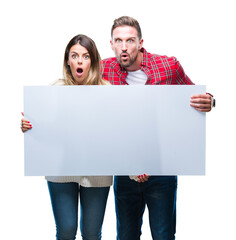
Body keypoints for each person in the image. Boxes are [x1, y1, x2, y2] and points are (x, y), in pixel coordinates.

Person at [101, 16, 215, 240]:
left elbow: (192, 94)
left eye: (130, 41)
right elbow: (73, 97)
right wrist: (37, 120)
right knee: (125, 235)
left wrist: (210, 100)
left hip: (162, 168)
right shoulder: (103, 69)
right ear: (111, 43)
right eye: (119, 41)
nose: (124, 47)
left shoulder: (167, 66)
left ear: (141, 42)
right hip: (125, 170)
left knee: (163, 235)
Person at [21, 34, 112, 240]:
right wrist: (30, 127)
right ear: (68, 61)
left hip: (97, 172)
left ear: (93, 62)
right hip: (61, 170)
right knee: (66, 230)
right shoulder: (56, 89)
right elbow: (46, 130)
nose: (80, 61)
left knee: (91, 233)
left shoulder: (107, 91)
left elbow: (116, 133)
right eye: (75, 55)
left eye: (86, 56)